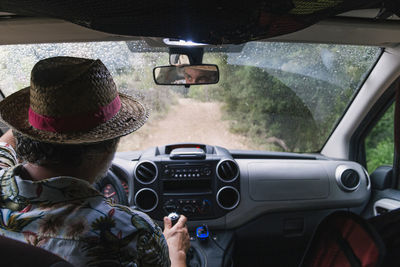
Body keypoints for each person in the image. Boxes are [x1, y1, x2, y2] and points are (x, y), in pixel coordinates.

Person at [0, 56, 190, 266]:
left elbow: (4, 147)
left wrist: (40, 119)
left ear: (23, 134)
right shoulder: (130, 232)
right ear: (109, 145)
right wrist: (176, 253)